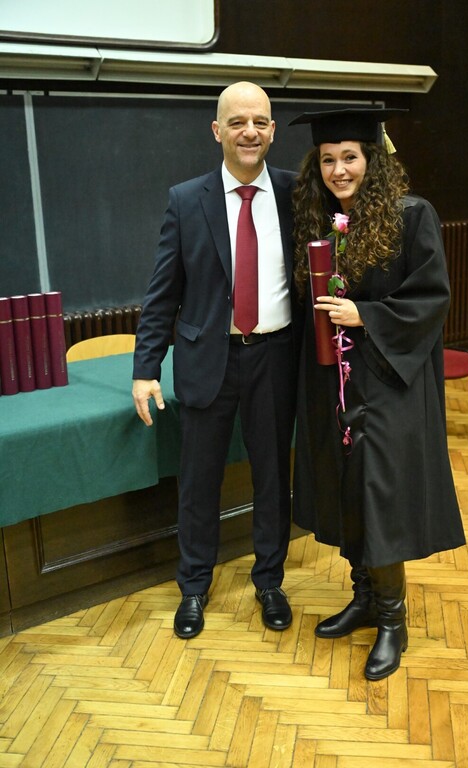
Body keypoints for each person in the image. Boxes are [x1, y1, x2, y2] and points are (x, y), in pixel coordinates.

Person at [288, 107, 466, 680]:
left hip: (389, 383)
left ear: (373, 159)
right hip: (334, 381)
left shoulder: (412, 215)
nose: (339, 169)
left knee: (379, 494)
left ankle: (394, 621)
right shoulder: (320, 222)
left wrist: (364, 314)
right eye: (328, 160)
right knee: (344, 486)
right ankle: (364, 598)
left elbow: (431, 298)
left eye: (350, 157)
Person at [132, 82, 301, 639]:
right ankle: (193, 587)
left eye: (260, 122)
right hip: (209, 360)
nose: (249, 132)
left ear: (272, 130)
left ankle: (270, 582)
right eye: (237, 122)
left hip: (275, 358)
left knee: (272, 478)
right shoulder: (186, 200)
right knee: (199, 483)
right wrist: (145, 368)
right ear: (217, 131)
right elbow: (162, 293)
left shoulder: (297, 194)